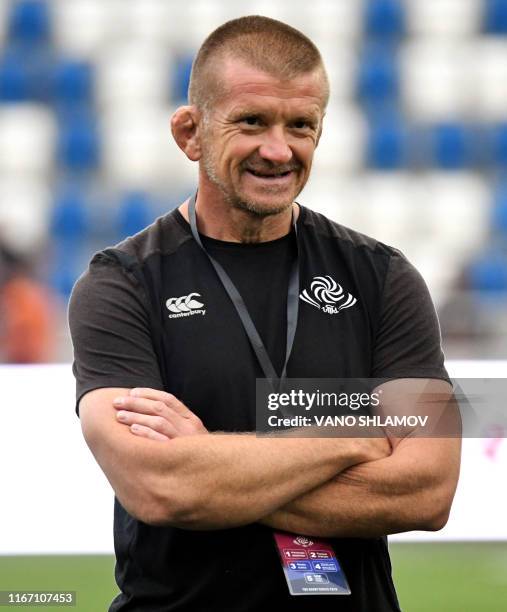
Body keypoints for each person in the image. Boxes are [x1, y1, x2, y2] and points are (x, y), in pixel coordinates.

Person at [68, 15, 461, 612]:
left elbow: (429, 491)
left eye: (301, 125)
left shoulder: (383, 277)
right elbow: (161, 486)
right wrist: (353, 440)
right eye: (252, 121)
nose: (279, 150)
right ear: (190, 132)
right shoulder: (121, 283)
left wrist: (214, 470)